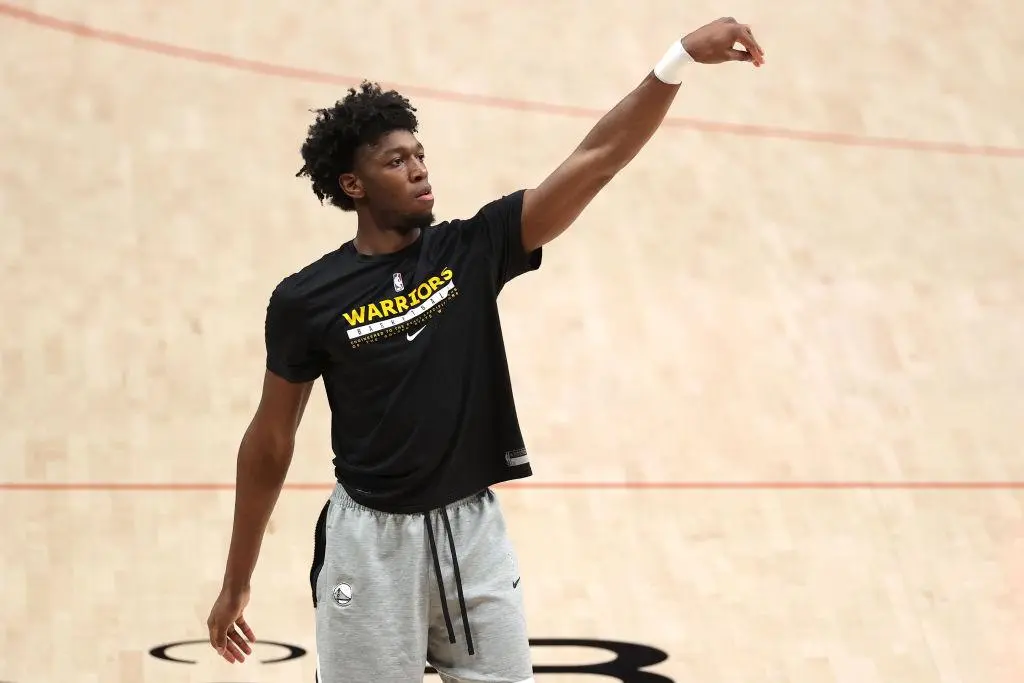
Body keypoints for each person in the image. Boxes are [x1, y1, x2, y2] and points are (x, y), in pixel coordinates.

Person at [205, 16, 764, 683]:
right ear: (353, 186)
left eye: (418, 154)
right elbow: (270, 440)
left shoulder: (472, 249)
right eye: (395, 161)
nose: (418, 170)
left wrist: (676, 60)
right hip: (370, 547)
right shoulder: (306, 299)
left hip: (471, 537)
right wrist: (238, 579)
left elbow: (597, 160)